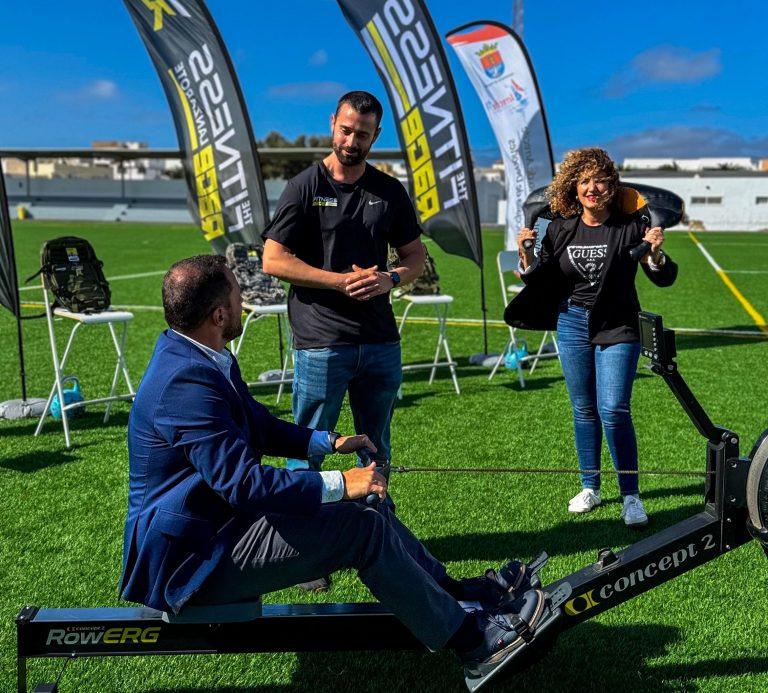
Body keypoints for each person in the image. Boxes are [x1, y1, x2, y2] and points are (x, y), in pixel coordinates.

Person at [119, 255, 550, 679]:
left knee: (371, 508)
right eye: (237, 293)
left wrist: (327, 441)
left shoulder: (207, 355)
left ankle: (456, 595)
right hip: (193, 560)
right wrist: (341, 483)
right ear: (218, 314)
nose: (244, 300)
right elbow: (243, 485)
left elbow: (257, 423)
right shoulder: (184, 382)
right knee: (357, 527)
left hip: (223, 526)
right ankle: (473, 642)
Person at [504, 148, 678, 527]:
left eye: (599, 180)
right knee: (583, 409)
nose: (592, 188)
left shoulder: (631, 226)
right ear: (574, 187)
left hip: (619, 325)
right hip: (572, 323)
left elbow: (663, 275)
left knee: (613, 408)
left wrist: (655, 254)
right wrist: (526, 256)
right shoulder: (562, 227)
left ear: (612, 186)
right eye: (584, 181)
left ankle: (631, 495)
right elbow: (541, 277)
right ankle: (590, 486)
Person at [261, 90, 426, 483]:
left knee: (376, 449)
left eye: (363, 135)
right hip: (322, 342)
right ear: (333, 123)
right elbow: (273, 259)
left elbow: (415, 256)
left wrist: (390, 279)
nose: (352, 143)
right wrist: (339, 282)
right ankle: (300, 536)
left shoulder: (389, 191)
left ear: (376, 135)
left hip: (380, 341)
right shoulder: (304, 186)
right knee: (307, 448)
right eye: (346, 131)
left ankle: (375, 526)